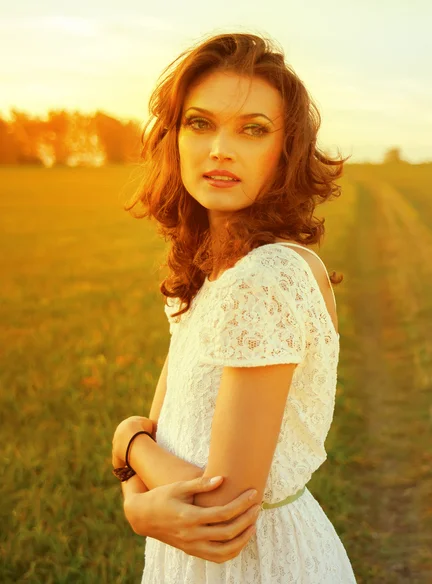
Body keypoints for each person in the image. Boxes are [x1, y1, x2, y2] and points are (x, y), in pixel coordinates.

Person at [111, 31, 357, 583]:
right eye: (200, 123)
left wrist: (125, 440)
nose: (220, 148)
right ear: (174, 138)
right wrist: (138, 471)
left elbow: (221, 516)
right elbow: (164, 428)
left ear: (285, 152)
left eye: (253, 129)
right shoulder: (210, 272)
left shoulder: (264, 281)